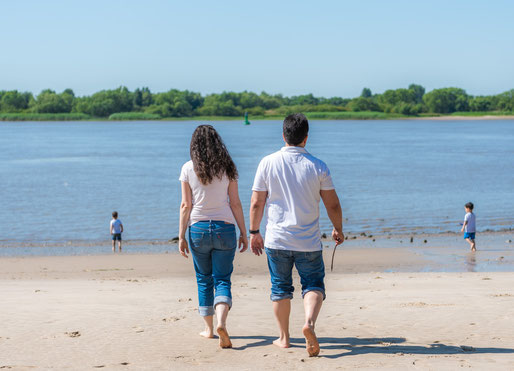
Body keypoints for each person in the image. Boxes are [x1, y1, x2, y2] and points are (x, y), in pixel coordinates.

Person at [249, 113, 344, 357]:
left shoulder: (267, 163)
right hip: (308, 241)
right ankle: (309, 324)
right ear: (306, 138)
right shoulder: (318, 165)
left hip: (277, 239)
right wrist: (338, 228)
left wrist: (254, 231)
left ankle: (284, 338)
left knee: (280, 288)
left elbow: (257, 203)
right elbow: (332, 204)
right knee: (313, 284)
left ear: (283, 136)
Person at [178, 125, 248, 349]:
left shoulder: (188, 168)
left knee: (203, 279)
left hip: (198, 228)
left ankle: (209, 330)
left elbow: (185, 205)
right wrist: (245, 232)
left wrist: (180, 236)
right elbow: (235, 203)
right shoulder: (228, 168)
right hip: (225, 228)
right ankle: (222, 322)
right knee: (222, 279)